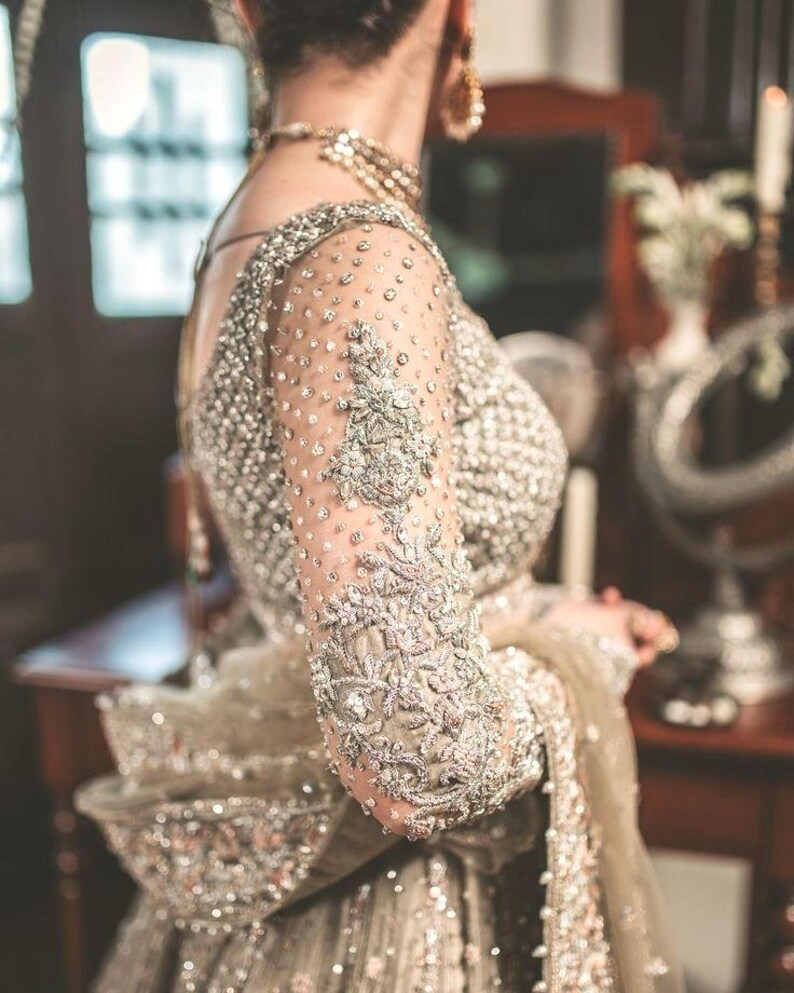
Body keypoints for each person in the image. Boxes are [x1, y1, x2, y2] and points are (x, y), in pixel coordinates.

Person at [77, 1, 685, 990]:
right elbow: (412, 755)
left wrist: (526, 620)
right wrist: (584, 651)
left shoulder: (246, 220)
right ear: (455, 12)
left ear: (247, 10)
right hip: (392, 918)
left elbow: (328, 598)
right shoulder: (359, 254)